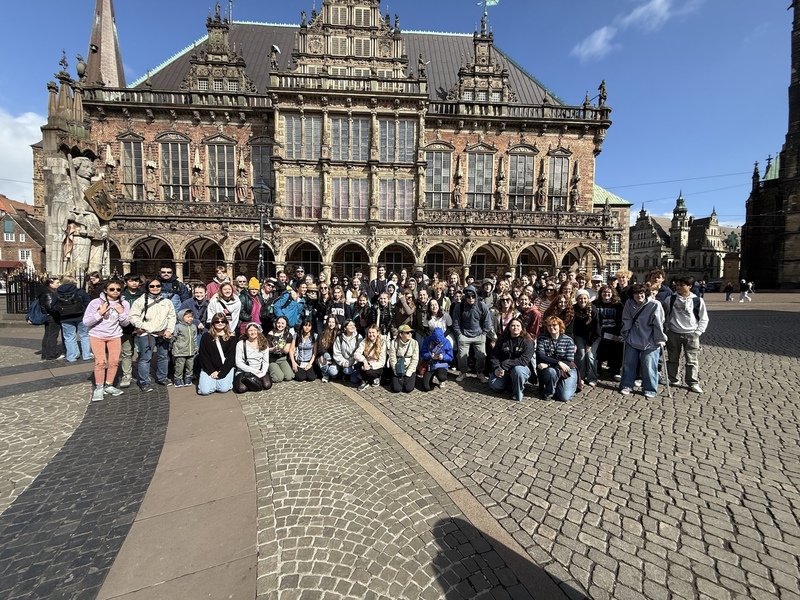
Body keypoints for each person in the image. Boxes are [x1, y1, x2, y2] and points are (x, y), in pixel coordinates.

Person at [83, 279, 130, 401]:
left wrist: (121, 313)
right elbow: (86, 321)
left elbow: (125, 323)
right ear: (105, 290)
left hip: (114, 336)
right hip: (97, 335)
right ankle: (99, 387)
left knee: (114, 361)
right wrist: (99, 313)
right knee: (101, 362)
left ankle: (108, 385)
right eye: (112, 289)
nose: (115, 291)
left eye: (118, 289)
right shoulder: (95, 303)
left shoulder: (124, 304)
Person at [129, 278, 177, 392]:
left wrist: (169, 330)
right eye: (152, 286)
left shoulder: (166, 302)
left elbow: (172, 317)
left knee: (163, 356)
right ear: (147, 287)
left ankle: (162, 377)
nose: (155, 288)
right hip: (147, 334)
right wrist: (145, 326)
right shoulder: (140, 301)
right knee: (146, 358)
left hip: (162, 333)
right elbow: (133, 317)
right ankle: (144, 381)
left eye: (158, 286)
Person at [619, 283, 667, 397]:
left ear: (645, 293)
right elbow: (626, 319)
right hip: (633, 337)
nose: (639, 295)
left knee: (649, 364)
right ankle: (627, 385)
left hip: (650, 339)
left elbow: (659, 323)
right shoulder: (629, 303)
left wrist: (660, 338)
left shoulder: (655, 304)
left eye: (641, 293)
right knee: (629, 363)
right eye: (636, 293)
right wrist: (625, 333)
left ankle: (650, 388)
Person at [663, 276, 709, 393]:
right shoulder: (670, 299)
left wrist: (698, 332)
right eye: (677, 285)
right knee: (672, 358)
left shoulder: (697, 300)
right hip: (673, 333)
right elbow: (663, 315)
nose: (678, 287)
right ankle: (673, 379)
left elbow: (704, 318)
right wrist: (667, 328)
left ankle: (692, 382)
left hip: (691, 334)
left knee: (692, 360)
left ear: (689, 286)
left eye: (681, 285)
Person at [490, 318, 536, 403]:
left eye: (518, 325)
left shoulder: (527, 341)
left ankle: (517, 393)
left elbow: (524, 360)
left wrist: (505, 364)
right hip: (504, 370)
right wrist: (496, 368)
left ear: (522, 328)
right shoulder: (502, 340)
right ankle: (513, 384)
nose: (515, 327)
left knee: (517, 370)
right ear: (509, 328)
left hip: (521, 368)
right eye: (513, 325)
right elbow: (494, 356)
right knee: (494, 384)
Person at [452, 288, 493, 383]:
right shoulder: (460, 306)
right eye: (468, 297)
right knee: (461, 356)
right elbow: (456, 321)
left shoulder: (481, 305)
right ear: (465, 297)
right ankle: (463, 372)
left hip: (479, 334)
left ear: (476, 296)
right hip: (464, 335)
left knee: (481, 356)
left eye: (473, 296)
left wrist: (484, 334)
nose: (471, 298)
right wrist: (459, 334)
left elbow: (487, 320)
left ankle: (480, 372)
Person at [536, 316, 578, 402]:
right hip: (551, 368)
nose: (551, 327)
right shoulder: (542, 338)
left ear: (560, 326)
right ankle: (549, 392)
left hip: (567, 368)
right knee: (550, 372)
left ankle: (571, 385)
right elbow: (541, 356)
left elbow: (568, 359)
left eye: (554, 325)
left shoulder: (568, 340)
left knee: (564, 397)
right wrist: (558, 362)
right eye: (549, 325)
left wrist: (549, 363)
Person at [54, 275, 93, 362]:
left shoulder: (57, 292)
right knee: (85, 336)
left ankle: (72, 356)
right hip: (81, 316)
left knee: (69, 337)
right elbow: (88, 303)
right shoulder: (80, 292)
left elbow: (53, 305)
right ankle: (86, 354)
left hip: (65, 317)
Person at [197, 314, 237, 395]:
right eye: (217, 321)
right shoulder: (206, 336)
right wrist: (212, 371)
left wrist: (222, 373)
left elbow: (231, 357)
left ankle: (219, 382)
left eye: (223, 321)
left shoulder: (232, 337)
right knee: (205, 391)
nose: (220, 323)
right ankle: (211, 383)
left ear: (226, 323)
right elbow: (203, 355)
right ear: (213, 323)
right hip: (210, 368)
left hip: (225, 367)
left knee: (223, 389)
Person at [119, 273, 145, 387]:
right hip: (126, 328)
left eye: (136, 281)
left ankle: (143, 374)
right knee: (127, 352)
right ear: (126, 282)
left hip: (140, 327)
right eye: (131, 281)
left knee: (142, 352)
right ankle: (127, 375)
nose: (134, 283)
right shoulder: (121, 295)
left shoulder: (143, 295)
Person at [594, 285, 624, 381]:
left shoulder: (618, 305)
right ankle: (598, 371)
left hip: (614, 333)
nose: (606, 294)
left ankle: (615, 371)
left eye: (609, 293)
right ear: (600, 294)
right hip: (599, 333)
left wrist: (619, 334)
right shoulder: (595, 304)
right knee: (598, 353)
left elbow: (621, 320)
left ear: (612, 294)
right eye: (604, 292)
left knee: (616, 352)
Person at [572, 289, 601, 386]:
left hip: (593, 336)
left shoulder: (593, 310)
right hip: (579, 335)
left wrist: (589, 343)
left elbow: (597, 329)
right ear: (577, 299)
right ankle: (581, 376)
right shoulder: (573, 308)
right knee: (581, 355)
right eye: (580, 298)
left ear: (588, 299)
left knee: (590, 356)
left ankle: (592, 377)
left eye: (585, 298)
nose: (582, 301)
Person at [234, 322, 273, 393]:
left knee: (267, 385)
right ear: (247, 332)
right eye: (250, 330)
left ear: (258, 331)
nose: (253, 332)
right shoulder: (240, 344)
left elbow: (265, 362)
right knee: (241, 389)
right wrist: (253, 371)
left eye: (255, 330)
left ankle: (252, 383)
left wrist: (262, 372)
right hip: (244, 370)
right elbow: (238, 363)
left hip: (259, 370)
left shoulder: (264, 344)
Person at [419, 327, 453, 391]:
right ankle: (431, 376)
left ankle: (441, 380)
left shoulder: (446, 342)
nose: (437, 342)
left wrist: (443, 357)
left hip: (441, 364)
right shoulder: (427, 340)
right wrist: (429, 356)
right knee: (426, 387)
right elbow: (422, 353)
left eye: (438, 341)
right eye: (435, 341)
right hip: (430, 364)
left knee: (442, 377)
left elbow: (450, 357)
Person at [388, 324, 419, 393]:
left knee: (408, 389)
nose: (410, 334)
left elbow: (415, 360)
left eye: (411, 332)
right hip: (398, 368)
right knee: (396, 389)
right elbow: (392, 358)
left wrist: (408, 374)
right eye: (407, 332)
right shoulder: (394, 343)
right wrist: (396, 372)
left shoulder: (414, 343)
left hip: (409, 368)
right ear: (401, 334)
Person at [171, 308, 198, 387]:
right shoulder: (178, 327)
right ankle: (177, 379)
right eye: (188, 317)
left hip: (190, 350)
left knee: (190, 366)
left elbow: (194, 338)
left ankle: (188, 378)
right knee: (179, 366)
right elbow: (174, 338)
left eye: (191, 317)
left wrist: (195, 347)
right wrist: (174, 347)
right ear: (182, 317)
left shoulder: (193, 327)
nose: (190, 318)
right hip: (180, 351)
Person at [355, 324, 387, 391]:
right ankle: (365, 380)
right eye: (369, 333)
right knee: (358, 366)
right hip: (366, 363)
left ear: (377, 333)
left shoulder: (382, 343)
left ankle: (372, 378)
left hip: (377, 366)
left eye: (373, 333)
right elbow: (356, 354)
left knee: (368, 372)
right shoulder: (364, 341)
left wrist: (370, 366)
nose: (371, 335)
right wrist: (364, 361)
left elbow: (382, 362)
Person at [332, 319, 363, 385]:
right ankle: (341, 372)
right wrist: (343, 362)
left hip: (355, 362)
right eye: (350, 325)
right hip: (343, 362)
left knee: (354, 380)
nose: (353, 327)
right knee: (332, 371)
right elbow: (337, 353)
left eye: (353, 325)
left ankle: (350, 373)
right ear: (345, 328)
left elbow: (359, 353)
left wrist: (350, 362)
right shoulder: (339, 338)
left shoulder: (359, 337)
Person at [266, 316, 295, 383]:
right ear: (276, 323)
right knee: (279, 378)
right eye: (278, 323)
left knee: (289, 377)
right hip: (272, 359)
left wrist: (282, 347)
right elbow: (267, 349)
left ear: (286, 325)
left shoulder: (288, 335)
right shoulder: (271, 333)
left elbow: (286, 351)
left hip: (282, 359)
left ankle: (279, 370)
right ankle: (269, 372)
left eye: (282, 323)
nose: (280, 325)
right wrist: (274, 349)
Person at [317, 316, 340, 383]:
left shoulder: (338, 334)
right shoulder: (322, 334)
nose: (331, 324)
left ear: (335, 323)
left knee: (333, 372)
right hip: (326, 356)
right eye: (329, 322)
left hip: (335, 357)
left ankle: (333, 372)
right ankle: (325, 374)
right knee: (321, 360)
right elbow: (320, 347)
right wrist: (324, 353)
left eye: (333, 322)